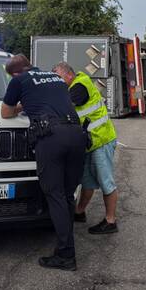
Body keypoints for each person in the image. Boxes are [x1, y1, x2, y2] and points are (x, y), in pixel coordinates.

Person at [1, 54, 86, 271]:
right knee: (67, 195)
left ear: (15, 72)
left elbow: (6, 112)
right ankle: (65, 248)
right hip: (77, 135)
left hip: (51, 137)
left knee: (55, 196)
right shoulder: (55, 77)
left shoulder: (19, 80)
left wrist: (21, 106)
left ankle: (66, 256)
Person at [53, 62, 118, 234]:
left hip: (101, 139)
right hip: (89, 143)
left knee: (106, 181)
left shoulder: (80, 85)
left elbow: (62, 106)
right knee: (87, 181)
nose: (57, 82)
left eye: (58, 77)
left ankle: (111, 221)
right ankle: (79, 212)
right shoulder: (73, 85)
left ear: (69, 75)